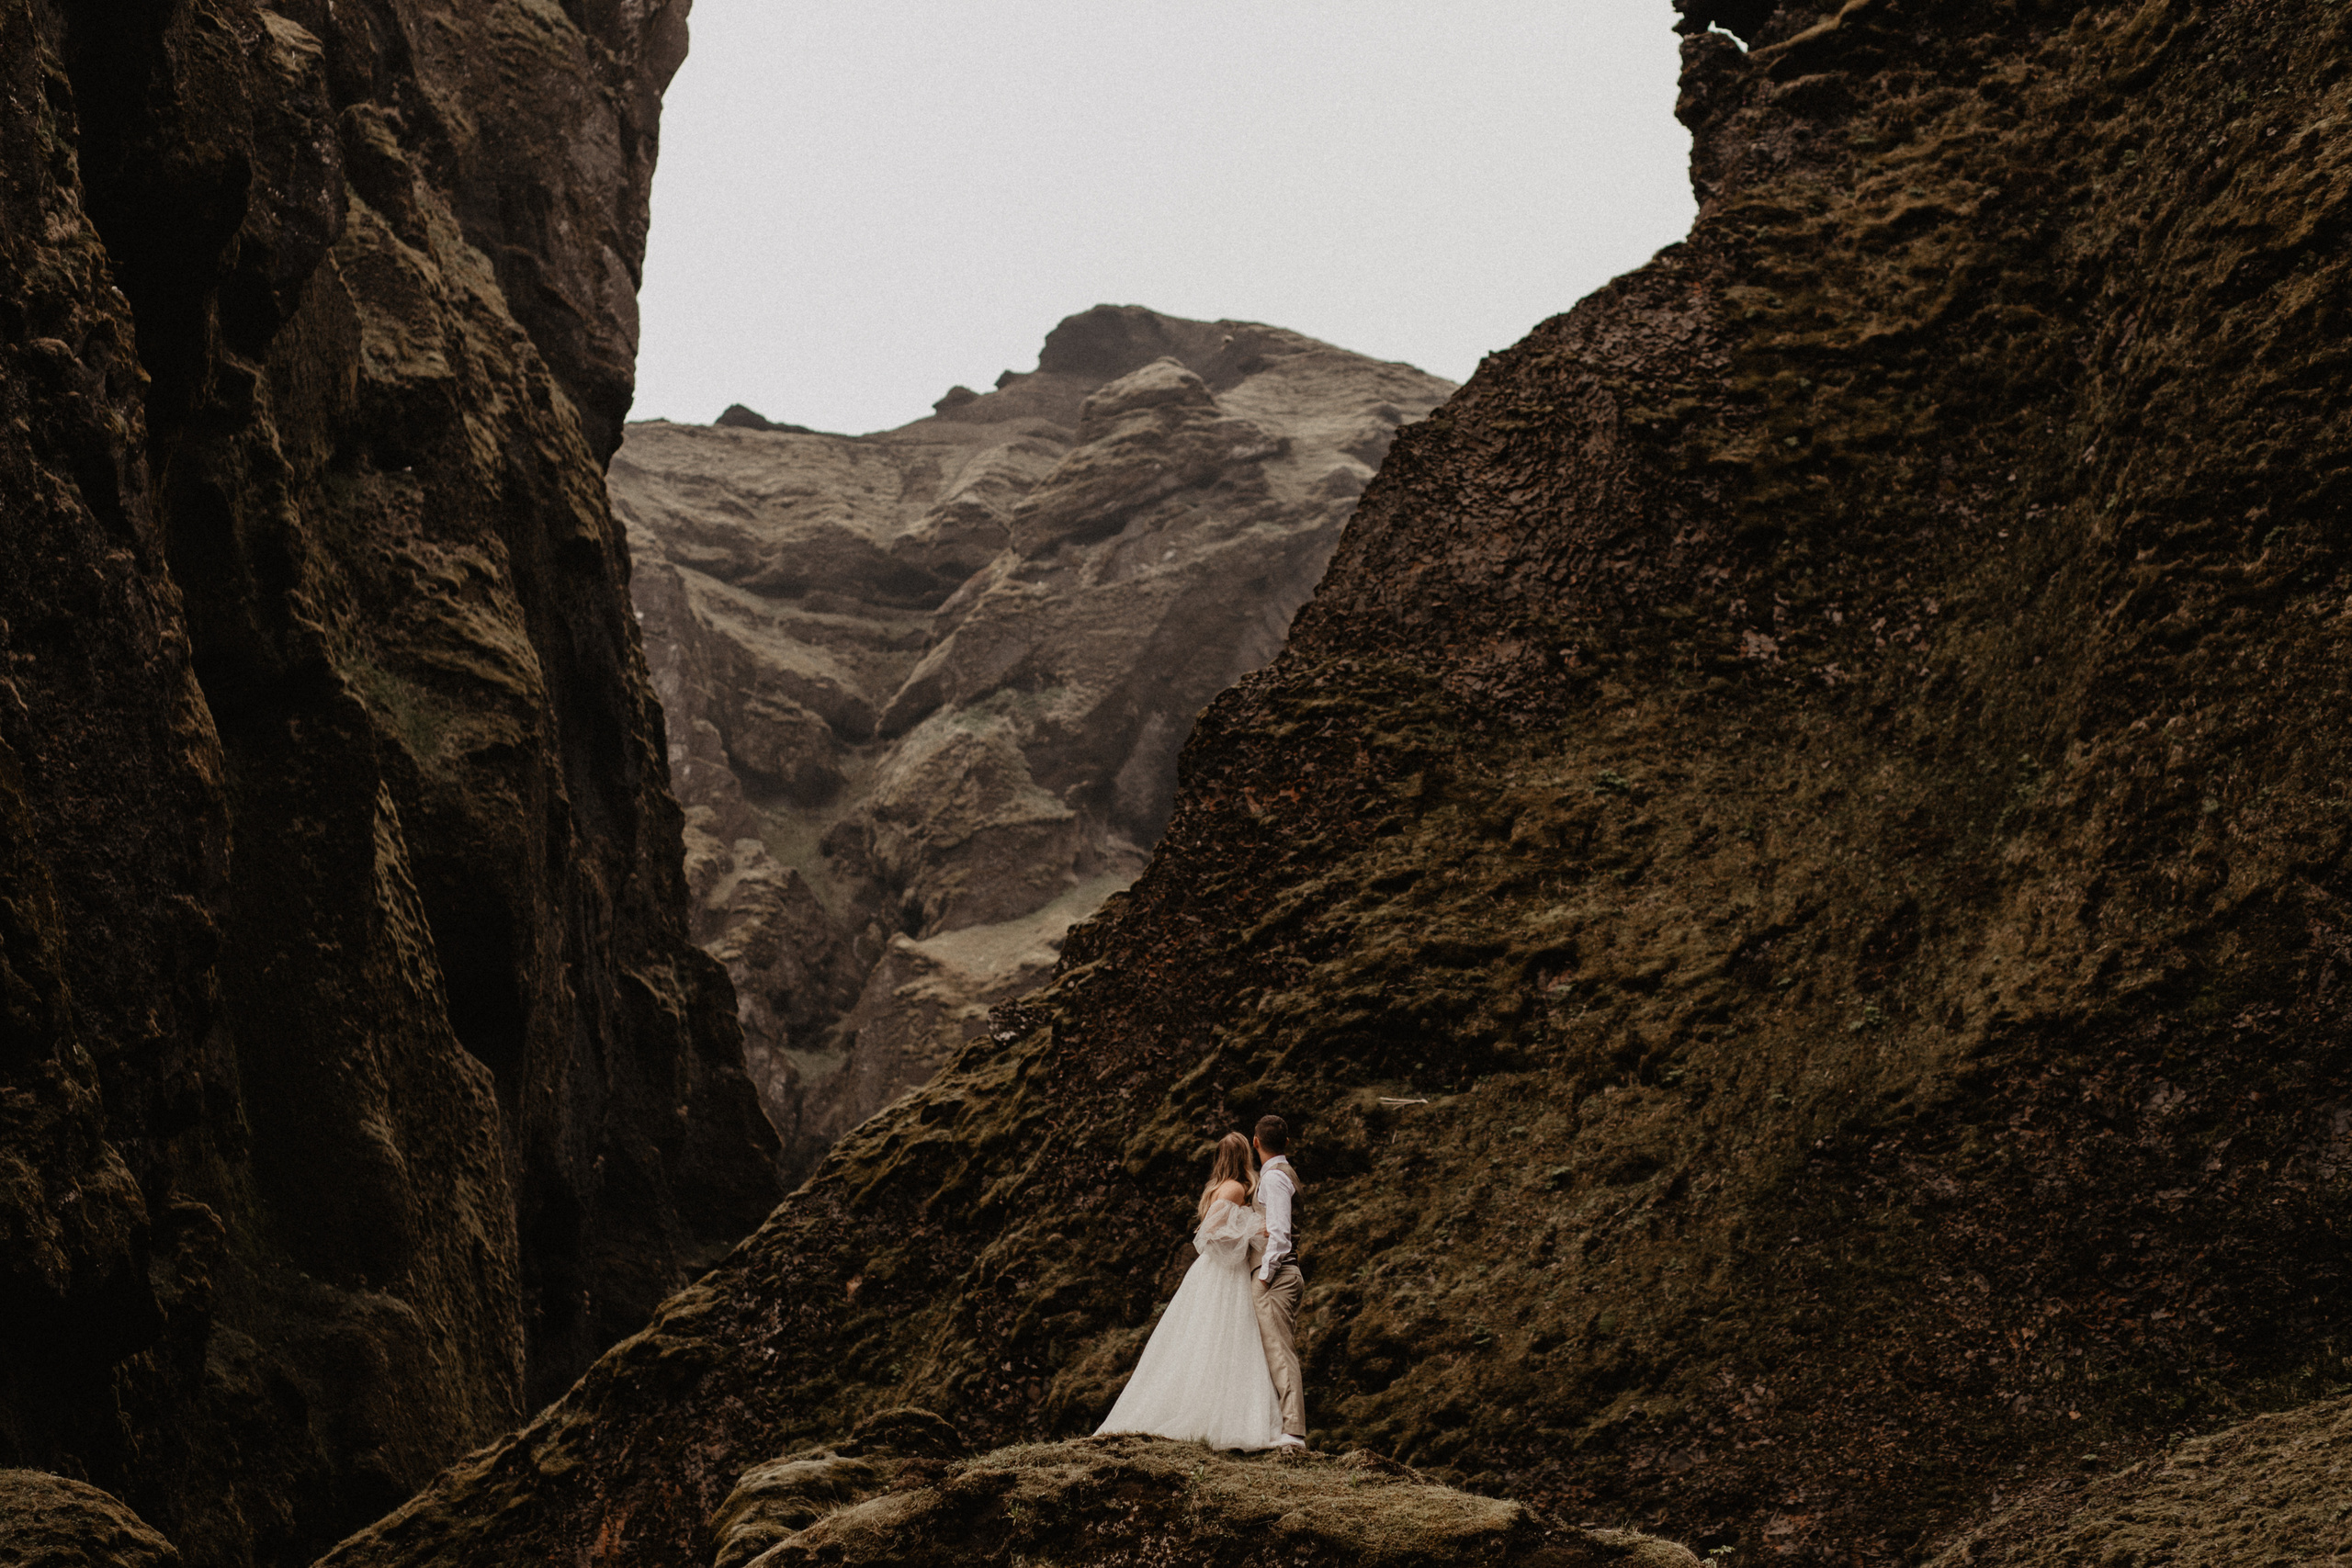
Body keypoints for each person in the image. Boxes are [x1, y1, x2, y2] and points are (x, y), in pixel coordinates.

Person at [1094, 1133, 1286, 1450]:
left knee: (1204, 1340)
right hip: (1225, 1276)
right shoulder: (1236, 1188)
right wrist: (1253, 1228)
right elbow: (1210, 1234)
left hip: (1212, 1274)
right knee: (1227, 1339)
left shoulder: (1220, 1187)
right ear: (1243, 1157)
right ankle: (1223, 1417)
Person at [1250, 1113, 1308, 1450]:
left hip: (1279, 1274)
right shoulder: (1284, 1174)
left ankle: (1294, 1432)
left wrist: (1264, 1275)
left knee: (1280, 1350)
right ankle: (1281, 1425)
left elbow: (1280, 1234)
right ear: (1286, 1142)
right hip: (1287, 1272)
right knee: (1275, 1349)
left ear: (1256, 1142)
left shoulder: (1273, 1179)